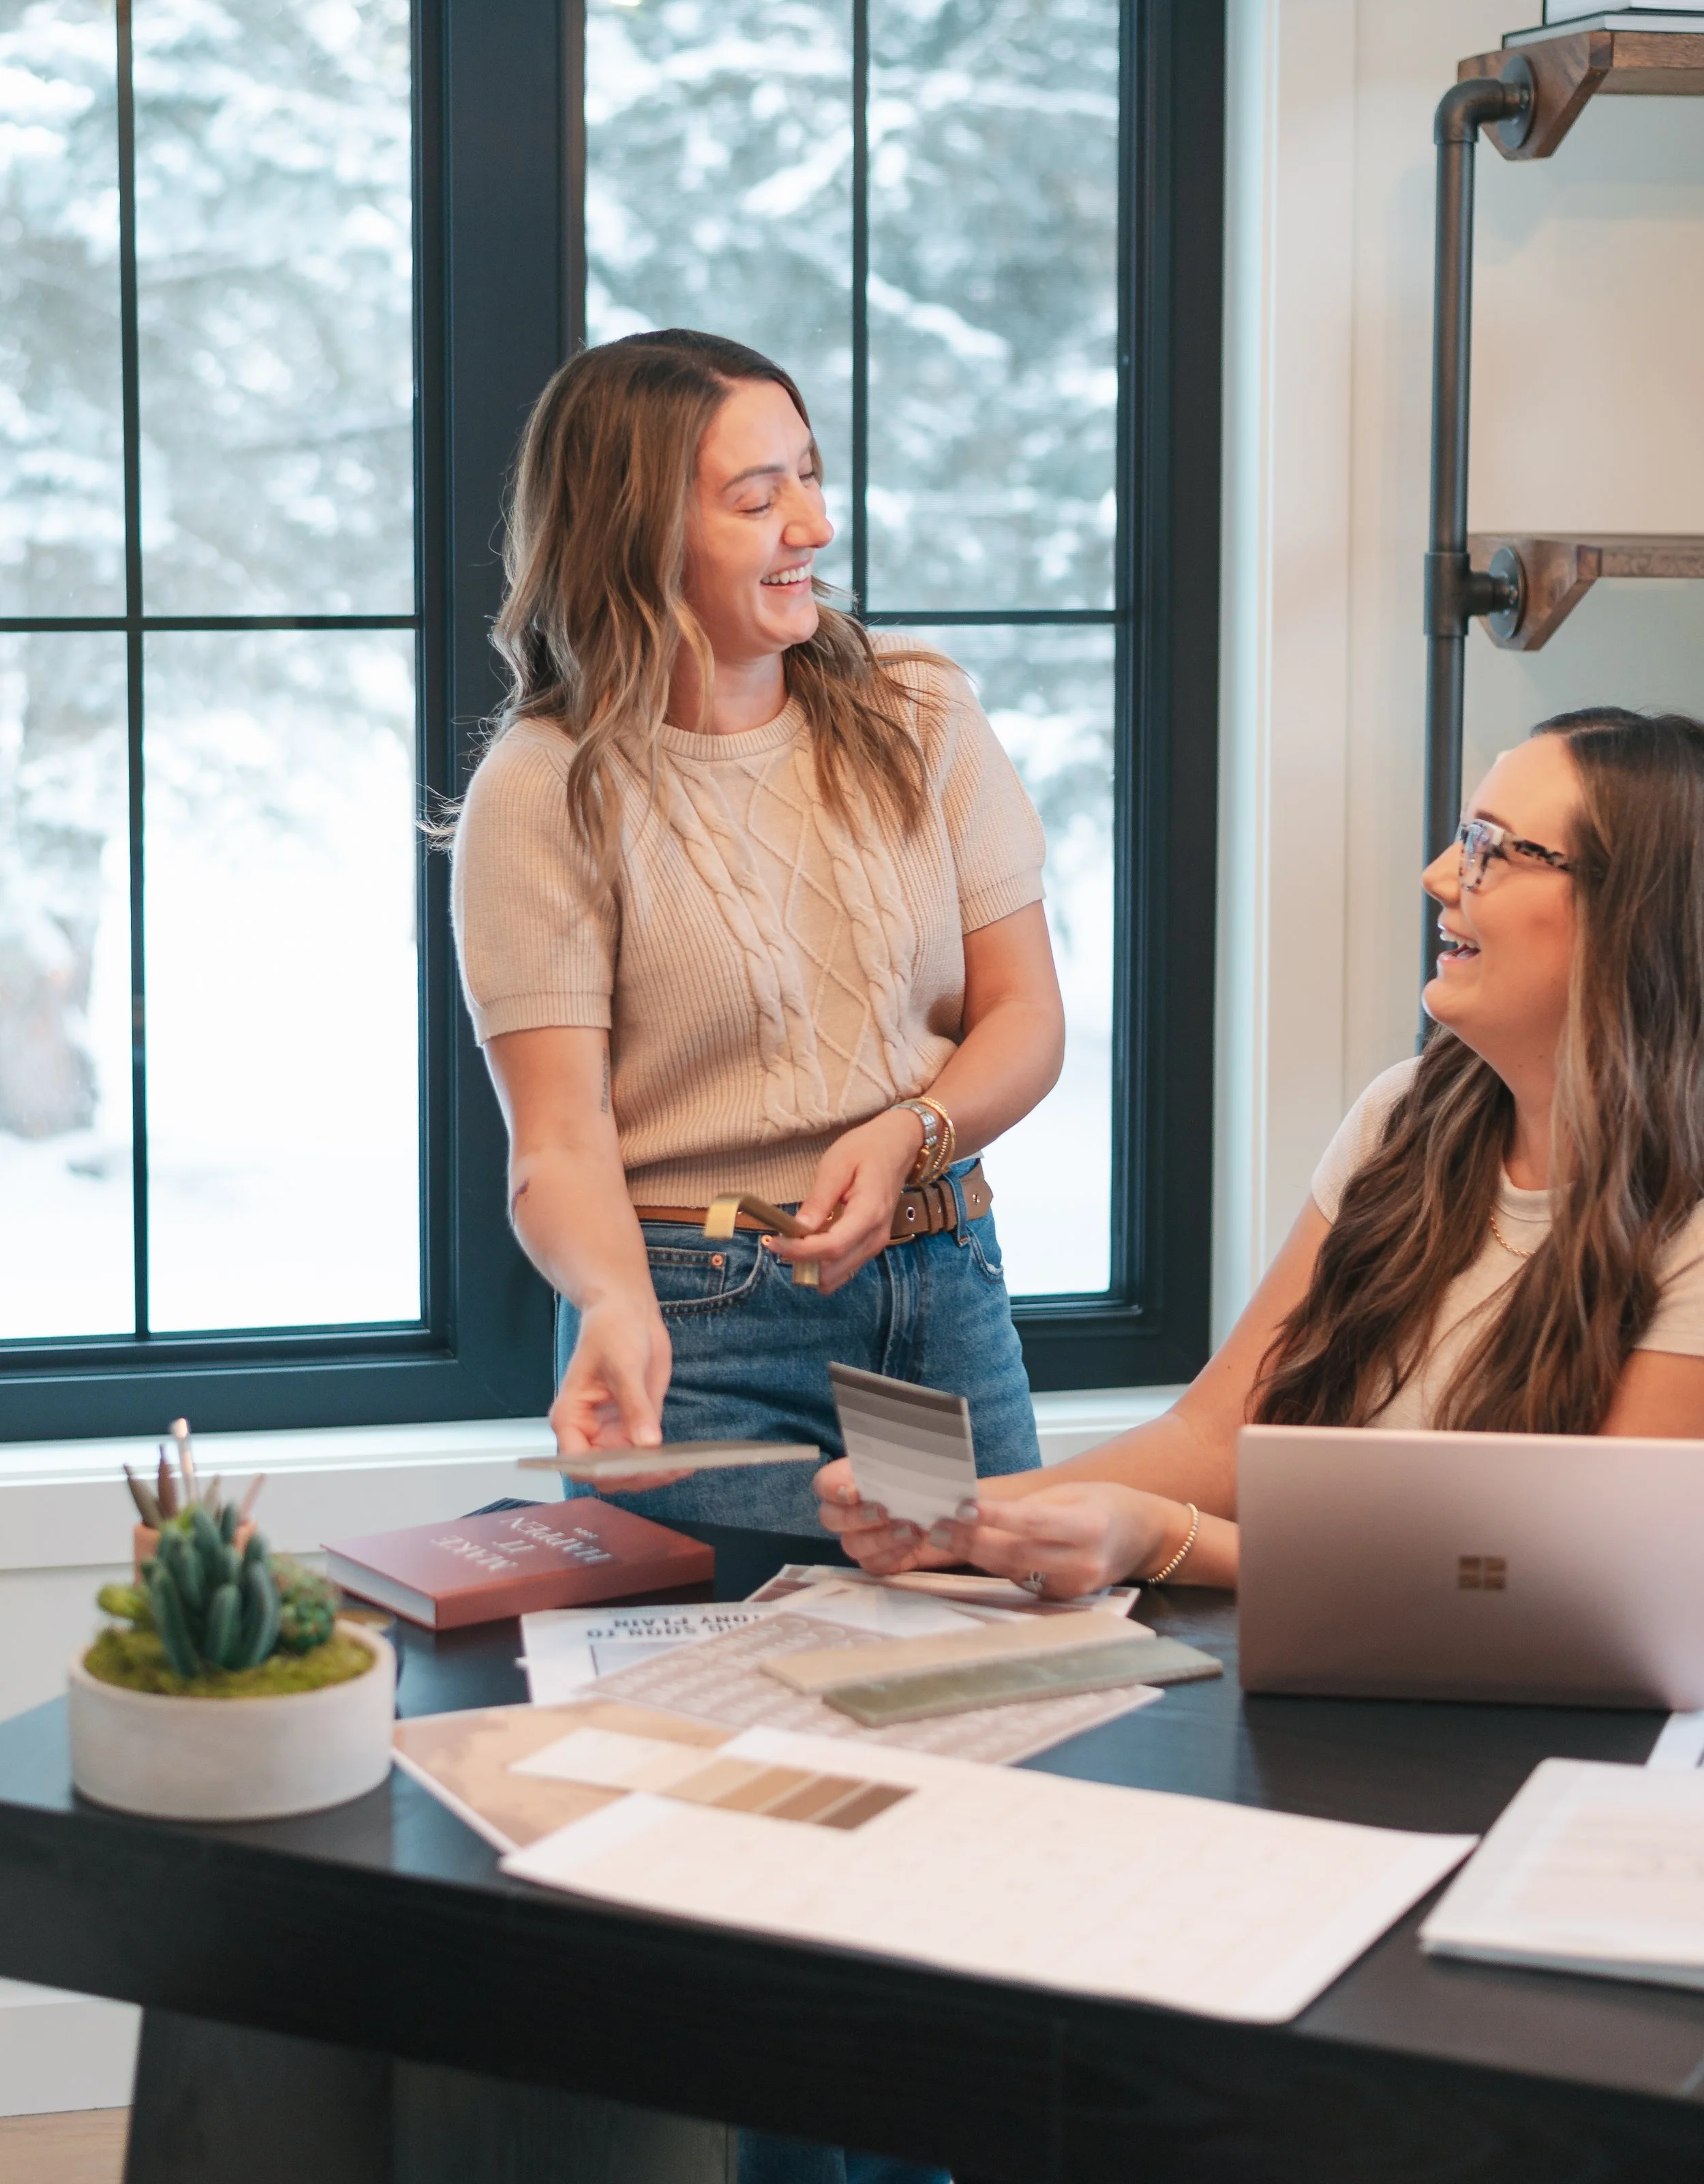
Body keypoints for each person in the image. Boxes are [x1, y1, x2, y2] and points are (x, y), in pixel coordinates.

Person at [817, 707, 1704, 1596]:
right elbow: (1219, 1438)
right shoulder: (1404, 1119)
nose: (1439, 876)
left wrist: (1170, 1540)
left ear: (1637, 906)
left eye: (1491, 848)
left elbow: (1575, 1588)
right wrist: (965, 1522)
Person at [451, 326, 1063, 1541]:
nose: (814, 526)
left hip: (943, 1291)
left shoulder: (919, 708)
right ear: (637, 532)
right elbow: (559, 1141)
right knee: (705, 1713)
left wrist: (908, 1136)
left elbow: (1026, 1018)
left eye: (810, 475)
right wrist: (616, 1309)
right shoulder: (546, 786)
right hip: (698, 1322)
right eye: (756, 495)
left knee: (990, 1684)